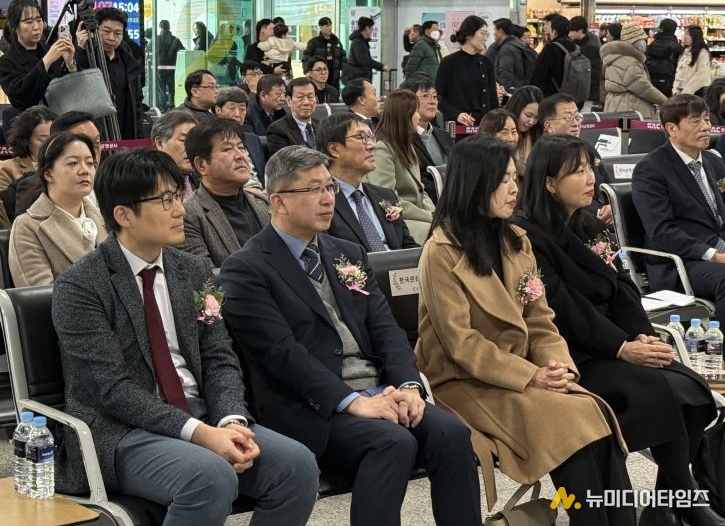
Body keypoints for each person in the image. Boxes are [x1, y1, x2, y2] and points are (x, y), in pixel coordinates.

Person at [51, 147, 319, 525]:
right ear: (123, 215)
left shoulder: (191, 269)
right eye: (165, 200)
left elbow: (218, 355)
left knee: (297, 466)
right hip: (120, 430)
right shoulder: (80, 285)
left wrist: (230, 421)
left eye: (178, 195)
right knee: (208, 476)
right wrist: (200, 434)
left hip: (201, 412)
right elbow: (110, 389)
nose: (180, 209)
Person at [218, 145, 482, 526]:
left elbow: (386, 329)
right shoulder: (246, 268)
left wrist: (409, 386)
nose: (328, 199)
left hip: (379, 392)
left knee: (451, 433)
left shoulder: (347, 252)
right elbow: (282, 355)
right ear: (279, 201)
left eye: (330, 187)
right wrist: (351, 401)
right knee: (392, 443)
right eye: (313, 189)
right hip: (310, 406)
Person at [415, 133, 636, 526]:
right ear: (475, 184)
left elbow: (540, 320)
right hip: (466, 380)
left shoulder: (515, 239)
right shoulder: (440, 252)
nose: (514, 188)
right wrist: (531, 375)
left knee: (592, 415)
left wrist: (557, 366)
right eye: (503, 180)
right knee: (569, 425)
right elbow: (461, 344)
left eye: (515, 178)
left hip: (521, 371)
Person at [514, 132, 720, 526]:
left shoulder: (588, 224)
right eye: (578, 171)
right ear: (550, 183)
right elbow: (563, 308)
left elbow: (624, 287)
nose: (591, 178)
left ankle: (665, 503)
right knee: (660, 390)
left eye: (590, 168)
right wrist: (621, 347)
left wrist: (642, 335)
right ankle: (684, 501)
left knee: (693, 390)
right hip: (574, 351)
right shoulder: (528, 236)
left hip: (619, 338)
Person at [633, 94, 725, 325]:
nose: (706, 127)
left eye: (707, 119)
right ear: (671, 128)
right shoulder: (651, 169)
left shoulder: (713, 162)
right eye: (695, 121)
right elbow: (661, 231)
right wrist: (714, 255)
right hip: (682, 261)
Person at [9, 131, 106, 287]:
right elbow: (39, 295)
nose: (85, 170)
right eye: (73, 163)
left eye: (90, 163)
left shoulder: (104, 217)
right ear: (48, 174)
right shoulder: (28, 226)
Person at [318, 113, 418, 251]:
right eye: (360, 137)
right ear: (334, 149)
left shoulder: (385, 196)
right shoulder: (320, 201)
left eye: (371, 137)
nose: (372, 146)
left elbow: (408, 246)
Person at [179, 119, 270, 268]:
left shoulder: (264, 202)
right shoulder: (188, 215)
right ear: (201, 165)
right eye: (228, 149)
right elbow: (204, 275)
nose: (241, 155)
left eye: (241, 147)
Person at [365, 90, 435, 244]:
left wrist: (435, 213)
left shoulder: (407, 146)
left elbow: (421, 192)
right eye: (415, 112)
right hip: (397, 221)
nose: (419, 116)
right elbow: (387, 200)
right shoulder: (382, 149)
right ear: (404, 116)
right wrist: (429, 216)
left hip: (416, 216)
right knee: (442, 235)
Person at [13, 111, 101, 221]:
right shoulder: (32, 191)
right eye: (73, 163)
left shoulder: (108, 182)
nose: (92, 150)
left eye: (97, 142)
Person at [539, 93, 612, 227]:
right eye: (568, 118)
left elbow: (607, 186)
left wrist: (611, 207)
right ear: (549, 126)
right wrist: (597, 215)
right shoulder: (543, 157)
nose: (575, 124)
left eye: (577, 117)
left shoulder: (588, 149)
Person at [0, 0, 76, 120]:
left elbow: (72, 89)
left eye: (39, 20)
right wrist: (46, 61)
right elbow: (20, 96)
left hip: (62, 119)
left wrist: (70, 63)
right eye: (29, 22)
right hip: (31, 124)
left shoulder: (52, 51)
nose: (36, 27)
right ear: (14, 26)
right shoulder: (6, 62)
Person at [76, 7, 143, 140]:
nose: (112, 38)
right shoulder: (84, 57)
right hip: (93, 136)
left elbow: (137, 104)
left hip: (124, 136)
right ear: (94, 30)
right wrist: (80, 50)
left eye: (118, 33)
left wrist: (137, 138)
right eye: (106, 31)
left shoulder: (129, 63)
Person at [436, 15, 498, 126]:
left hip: (484, 126)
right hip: (457, 126)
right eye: (482, 33)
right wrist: (457, 114)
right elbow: (438, 97)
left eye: (487, 34)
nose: (485, 38)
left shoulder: (486, 63)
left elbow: (493, 99)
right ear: (469, 35)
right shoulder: (448, 62)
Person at [399, 75, 453, 203]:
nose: (432, 101)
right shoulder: (401, 137)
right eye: (425, 96)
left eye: (434, 97)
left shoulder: (444, 135)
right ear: (409, 101)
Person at [601, 23, 667, 119]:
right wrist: (665, 102)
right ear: (633, 42)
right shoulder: (630, 61)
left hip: (615, 106)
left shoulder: (616, 57)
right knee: (627, 129)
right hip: (629, 109)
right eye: (641, 40)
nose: (644, 43)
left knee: (618, 129)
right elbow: (642, 87)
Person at [213, 87, 266, 186]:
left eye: (242, 109)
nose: (237, 114)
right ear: (218, 110)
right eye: (232, 108)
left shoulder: (253, 139)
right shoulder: (212, 139)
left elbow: (262, 174)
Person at [0, 106, 55, 195]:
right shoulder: (5, 169)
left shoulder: (66, 165)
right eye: (42, 140)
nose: (50, 143)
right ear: (25, 140)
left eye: (54, 138)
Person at [151, 110, 200, 199]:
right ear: (160, 143)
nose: (193, 147)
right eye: (183, 140)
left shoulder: (201, 179)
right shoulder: (149, 183)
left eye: (196, 141)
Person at [266, 77, 320, 156]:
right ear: (289, 101)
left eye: (310, 97)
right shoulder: (277, 130)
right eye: (300, 97)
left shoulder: (322, 126)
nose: (306, 102)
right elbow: (285, 161)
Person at [530, 14, 578, 98]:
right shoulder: (576, 47)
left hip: (553, 95)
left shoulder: (551, 48)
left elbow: (538, 74)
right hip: (572, 94)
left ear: (554, 31)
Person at [506, 85, 543, 178]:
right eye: (528, 115)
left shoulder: (538, 134)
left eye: (536, 118)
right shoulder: (500, 130)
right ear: (516, 109)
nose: (531, 122)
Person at [303, 17, 346, 90]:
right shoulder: (314, 42)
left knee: (333, 94)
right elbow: (306, 58)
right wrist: (307, 71)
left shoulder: (336, 41)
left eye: (330, 25)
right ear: (321, 27)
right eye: (327, 26)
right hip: (319, 77)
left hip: (334, 77)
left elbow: (343, 57)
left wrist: (345, 71)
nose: (330, 28)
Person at [488, 18, 530, 92]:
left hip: (511, 92)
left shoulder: (507, 49)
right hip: (520, 89)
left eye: (495, 30)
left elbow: (506, 76)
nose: (494, 33)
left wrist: (504, 94)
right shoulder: (518, 44)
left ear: (501, 31)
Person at [646, 18, 684, 98]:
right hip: (669, 82)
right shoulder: (677, 47)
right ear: (674, 30)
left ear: (661, 29)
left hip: (651, 81)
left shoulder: (652, 45)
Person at [344, 16, 389, 84]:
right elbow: (364, 60)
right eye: (371, 29)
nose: (372, 31)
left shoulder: (362, 41)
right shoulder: (358, 42)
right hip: (358, 78)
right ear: (367, 28)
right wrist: (382, 66)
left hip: (360, 77)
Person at [568, 16, 602, 104]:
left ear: (580, 30)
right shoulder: (577, 42)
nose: (569, 33)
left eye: (571, 31)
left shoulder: (592, 47)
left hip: (588, 95)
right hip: (579, 91)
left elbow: (593, 73)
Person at [674, 26, 712, 97]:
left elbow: (701, 75)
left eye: (688, 34)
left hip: (696, 92)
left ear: (696, 36)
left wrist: (686, 92)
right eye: (685, 34)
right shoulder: (685, 52)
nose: (685, 37)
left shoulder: (702, 53)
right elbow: (678, 72)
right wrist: (675, 91)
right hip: (681, 92)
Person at [157, 20, 185, 111]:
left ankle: (162, 107)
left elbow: (147, 50)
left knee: (161, 88)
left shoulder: (156, 39)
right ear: (169, 27)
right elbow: (182, 51)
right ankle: (172, 105)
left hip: (159, 68)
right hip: (172, 68)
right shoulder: (175, 40)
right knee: (171, 88)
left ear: (160, 27)